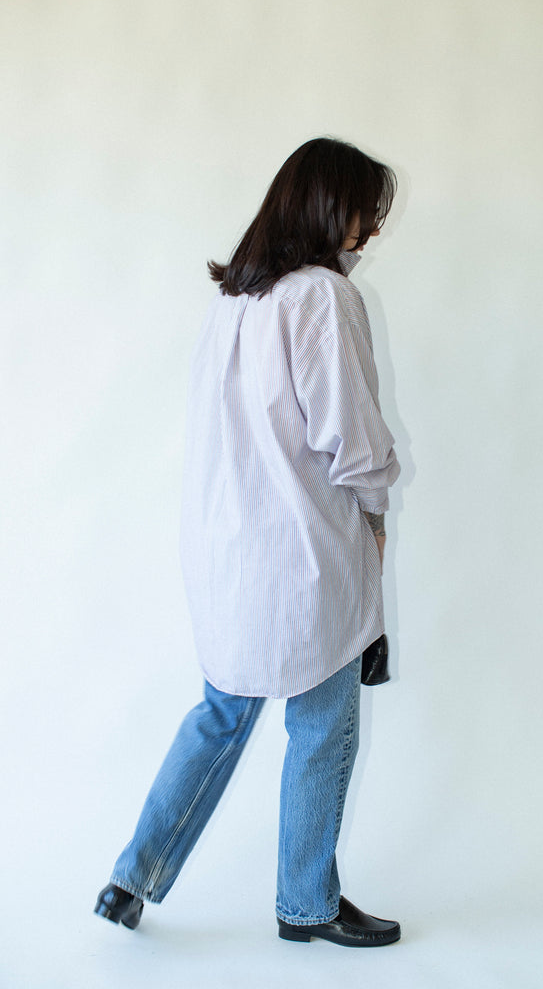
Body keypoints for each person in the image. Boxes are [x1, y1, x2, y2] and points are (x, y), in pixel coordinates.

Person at [94, 136, 401, 948]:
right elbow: (355, 443)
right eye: (366, 212)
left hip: (228, 555)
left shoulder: (233, 300)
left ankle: (131, 875)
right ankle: (306, 904)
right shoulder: (322, 300)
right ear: (333, 206)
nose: (368, 232)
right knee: (324, 725)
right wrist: (376, 509)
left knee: (221, 713)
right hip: (306, 551)